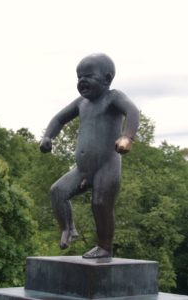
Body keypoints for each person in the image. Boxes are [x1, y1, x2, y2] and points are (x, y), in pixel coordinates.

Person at [40, 53, 139, 258]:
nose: (82, 81)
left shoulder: (113, 98)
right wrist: (48, 136)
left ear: (107, 78)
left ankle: (105, 247)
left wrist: (127, 137)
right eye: (79, 77)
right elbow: (59, 118)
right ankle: (68, 228)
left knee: (100, 204)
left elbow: (132, 111)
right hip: (82, 169)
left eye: (88, 76)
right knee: (57, 191)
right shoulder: (81, 103)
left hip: (107, 166)